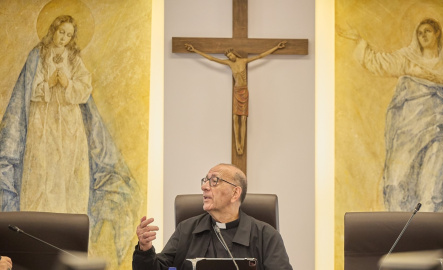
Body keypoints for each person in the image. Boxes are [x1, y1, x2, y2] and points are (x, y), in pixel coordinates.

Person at [0, 15, 140, 262]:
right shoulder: (37, 55)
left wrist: (67, 83)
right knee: (41, 172)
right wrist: (45, 84)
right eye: (60, 32)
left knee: (68, 175)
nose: (63, 38)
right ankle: (35, 241)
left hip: (70, 125)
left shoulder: (74, 59)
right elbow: (26, 88)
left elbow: (84, 89)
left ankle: (70, 244)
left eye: (68, 34)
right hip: (42, 123)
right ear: (53, 31)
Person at [338, 18, 443, 218]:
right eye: (420, 32)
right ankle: (405, 238)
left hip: (442, 129)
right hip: (409, 129)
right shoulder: (407, 58)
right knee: (399, 183)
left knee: (434, 188)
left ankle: (431, 238)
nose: (423, 35)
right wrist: (359, 41)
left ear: (437, 33)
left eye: (428, 31)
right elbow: (378, 63)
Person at [132, 163, 293, 270]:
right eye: (205, 181)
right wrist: (144, 249)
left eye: (214, 181)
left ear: (235, 193)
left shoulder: (266, 235)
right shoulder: (187, 230)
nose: (204, 187)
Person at [184, 42, 286, 155]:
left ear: (235, 54)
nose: (230, 57)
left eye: (231, 55)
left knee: (243, 118)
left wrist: (276, 47)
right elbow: (211, 59)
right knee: (234, 118)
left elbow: (260, 56)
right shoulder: (229, 63)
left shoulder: (243, 61)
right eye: (228, 57)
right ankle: (237, 143)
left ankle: (242, 143)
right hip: (236, 91)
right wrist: (195, 50)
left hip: (244, 91)